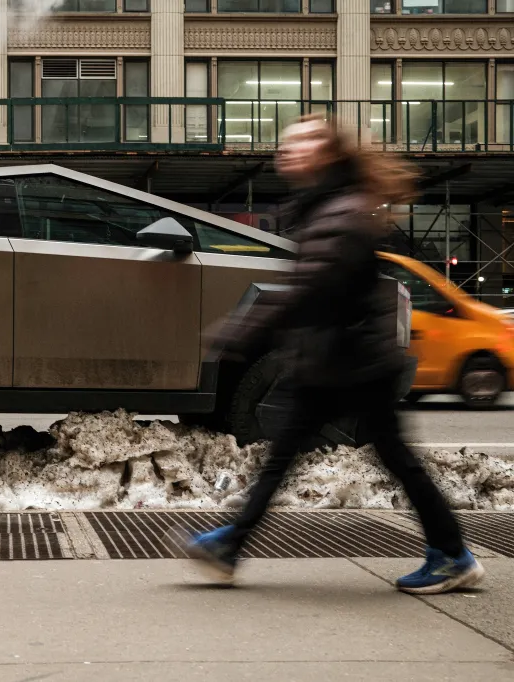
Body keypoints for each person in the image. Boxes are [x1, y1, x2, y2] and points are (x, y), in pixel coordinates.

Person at [186, 114, 484, 595]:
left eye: (304, 140)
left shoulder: (341, 211)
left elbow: (310, 288)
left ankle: (452, 555)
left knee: (393, 459)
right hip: (332, 361)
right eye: (288, 140)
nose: (290, 148)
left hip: (358, 365)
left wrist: (241, 330)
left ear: (327, 153)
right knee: (284, 457)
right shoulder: (324, 205)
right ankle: (230, 545)